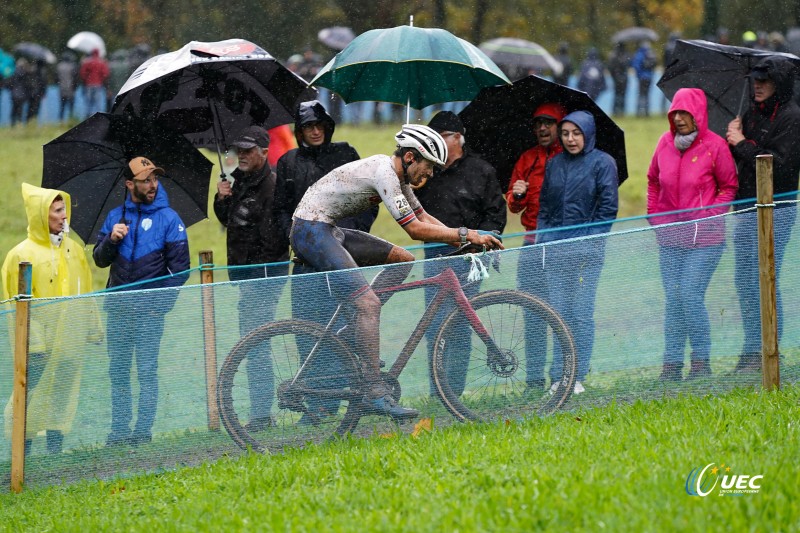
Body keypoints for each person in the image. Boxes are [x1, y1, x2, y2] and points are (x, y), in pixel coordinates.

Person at [290, 124, 503, 419]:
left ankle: (353, 332)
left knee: (402, 260)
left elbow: (423, 216)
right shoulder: (384, 173)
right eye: (428, 168)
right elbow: (414, 229)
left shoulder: (399, 178)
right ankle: (374, 391)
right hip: (310, 230)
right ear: (411, 158)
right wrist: (468, 235)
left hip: (328, 228)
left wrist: (462, 241)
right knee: (368, 304)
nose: (429, 176)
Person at [274, 101, 375, 422]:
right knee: (308, 332)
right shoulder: (288, 162)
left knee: (345, 329)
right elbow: (281, 210)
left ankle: (348, 397)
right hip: (305, 263)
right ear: (299, 131)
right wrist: (294, 239)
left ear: (328, 127)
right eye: (307, 127)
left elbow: (369, 199)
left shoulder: (345, 155)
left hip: (342, 257)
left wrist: (350, 235)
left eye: (319, 126)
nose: (314, 132)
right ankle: (318, 403)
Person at [93, 156, 190, 446]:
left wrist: (158, 305)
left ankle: (142, 432)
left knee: (147, 371)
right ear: (129, 183)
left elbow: (180, 271)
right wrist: (111, 240)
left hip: (150, 314)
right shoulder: (115, 216)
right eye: (145, 180)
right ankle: (119, 430)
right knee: (118, 371)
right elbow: (99, 260)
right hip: (119, 310)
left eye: (154, 179)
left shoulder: (170, 219)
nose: (152, 184)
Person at [2, 184, 102, 454]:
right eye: (57, 210)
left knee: (61, 396)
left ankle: (54, 452)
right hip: (39, 349)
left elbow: (85, 289)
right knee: (30, 396)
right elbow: (17, 303)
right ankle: (23, 454)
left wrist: (92, 329)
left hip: (69, 342)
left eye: (64, 209)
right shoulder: (20, 256)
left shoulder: (75, 251)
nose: (64, 215)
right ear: (40, 216)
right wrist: (33, 345)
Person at [647, 88, 738, 381]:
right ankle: (671, 366)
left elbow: (728, 187)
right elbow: (652, 180)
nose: (680, 119)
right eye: (676, 113)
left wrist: (710, 216)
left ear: (698, 114)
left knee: (689, 294)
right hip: (670, 237)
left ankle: (701, 362)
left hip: (706, 239)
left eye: (686, 113)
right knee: (674, 298)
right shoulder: (664, 142)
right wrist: (654, 214)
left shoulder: (715, 146)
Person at [414, 111, 506, 395]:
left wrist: (482, 242)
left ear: (457, 138)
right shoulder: (426, 170)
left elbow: (495, 214)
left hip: (469, 256)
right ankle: (437, 391)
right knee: (434, 324)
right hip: (435, 255)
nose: (436, 143)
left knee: (461, 321)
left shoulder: (481, 170)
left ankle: (454, 390)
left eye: (440, 137)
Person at [726, 56, 800, 372]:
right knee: (744, 281)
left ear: (779, 85)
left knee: (766, 279)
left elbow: (779, 167)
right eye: (754, 80)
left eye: (764, 80)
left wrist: (741, 143)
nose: (757, 85)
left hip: (775, 211)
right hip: (745, 209)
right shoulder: (751, 113)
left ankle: (769, 351)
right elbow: (744, 159)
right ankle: (751, 349)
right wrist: (730, 138)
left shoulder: (792, 117)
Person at [214, 126, 290, 431]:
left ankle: (261, 414)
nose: (240, 156)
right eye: (238, 151)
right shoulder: (239, 183)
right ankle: (261, 411)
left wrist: (256, 279)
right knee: (253, 343)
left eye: (247, 151)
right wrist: (223, 201)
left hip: (264, 278)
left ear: (264, 152)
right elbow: (231, 223)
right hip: (248, 278)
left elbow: (270, 239)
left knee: (256, 344)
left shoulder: (272, 187)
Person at [537, 111, 618, 394]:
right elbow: (545, 208)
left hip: (587, 254)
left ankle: (577, 375)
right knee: (558, 312)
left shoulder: (603, 163)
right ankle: (558, 376)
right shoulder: (554, 163)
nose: (571, 139)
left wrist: (586, 243)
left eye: (577, 133)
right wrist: (543, 240)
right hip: (557, 253)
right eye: (566, 133)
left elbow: (607, 210)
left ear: (588, 133)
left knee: (581, 313)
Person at [506, 102, 566, 388]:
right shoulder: (527, 159)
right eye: (538, 123)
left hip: (561, 244)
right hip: (531, 245)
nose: (542, 128)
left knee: (561, 311)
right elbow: (514, 208)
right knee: (532, 312)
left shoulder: (569, 157)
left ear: (560, 125)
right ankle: (533, 380)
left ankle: (562, 375)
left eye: (549, 123)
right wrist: (517, 195)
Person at [79, 48, 110, 115]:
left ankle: (87, 116)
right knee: (98, 102)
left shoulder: (87, 62)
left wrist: (86, 79)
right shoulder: (101, 62)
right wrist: (101, 79)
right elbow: (105, 73)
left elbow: (82, 73)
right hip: (98, 84)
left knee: (88, 101)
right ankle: (98, 117)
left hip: (89, 84)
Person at [632, 41, 657, 117]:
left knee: (640, 95)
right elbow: (654, 65)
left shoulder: (639, 54)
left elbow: (636, 66)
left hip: (642, 78)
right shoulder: (651, 53)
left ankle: (639, 112)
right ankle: (646, 112)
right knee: (647, 95)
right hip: (649, 77)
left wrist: (639, 76)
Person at [608, 42, 631, 116]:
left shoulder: (613, 55)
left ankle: (615, 111)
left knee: (616, 95)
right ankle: (621, 111)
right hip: (624, 77)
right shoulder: (626, 55)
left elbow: (610, 68)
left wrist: (614, 76)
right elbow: (628, 65)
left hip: (616, 77)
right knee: (622, 95)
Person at [56, 51, 79, 122]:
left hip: (62, 89)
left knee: (62, 106)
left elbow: (56, 78)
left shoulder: (59, 66)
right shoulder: (72, 66)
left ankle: (61, 120)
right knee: (71, 107)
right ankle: (71, 120)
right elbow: (75, 78)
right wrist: (75, 87)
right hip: (70, 89)